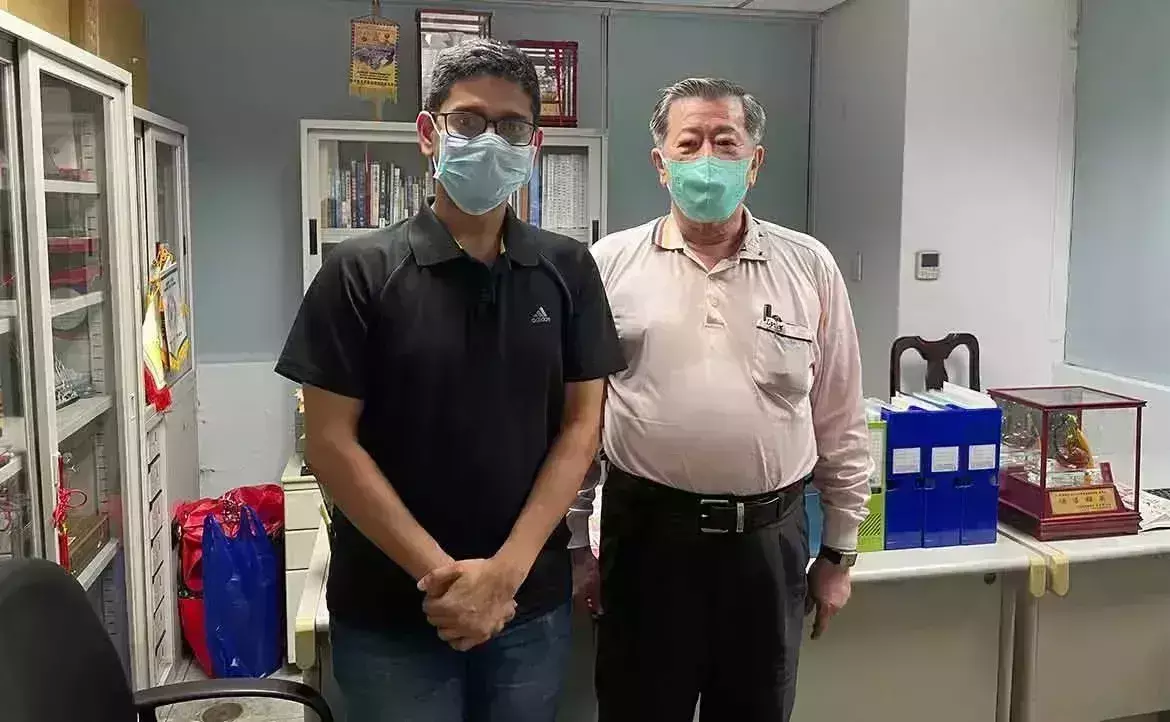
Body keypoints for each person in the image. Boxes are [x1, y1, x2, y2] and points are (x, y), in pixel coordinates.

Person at [276, 39, 624, 722]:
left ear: (534, 145)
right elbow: (330, 443)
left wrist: (504, 576)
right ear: (428, 133)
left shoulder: (568, 270)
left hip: (526, 605)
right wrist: (445, 579)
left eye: (511, 126)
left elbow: (582, 427)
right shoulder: (359, 272)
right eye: (467, 121)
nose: (490, 141)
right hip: (392, 612)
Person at [567, 77, 873, 722]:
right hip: (644, 540)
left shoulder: (809, 267)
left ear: (754, 162)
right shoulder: (609, 265)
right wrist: (574, 543)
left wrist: (841, 552)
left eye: (726, 142)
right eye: (689, 144)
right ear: (661, 164)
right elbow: (577, 425)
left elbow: (842, 420)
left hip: (768, 545)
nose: (707, 158)